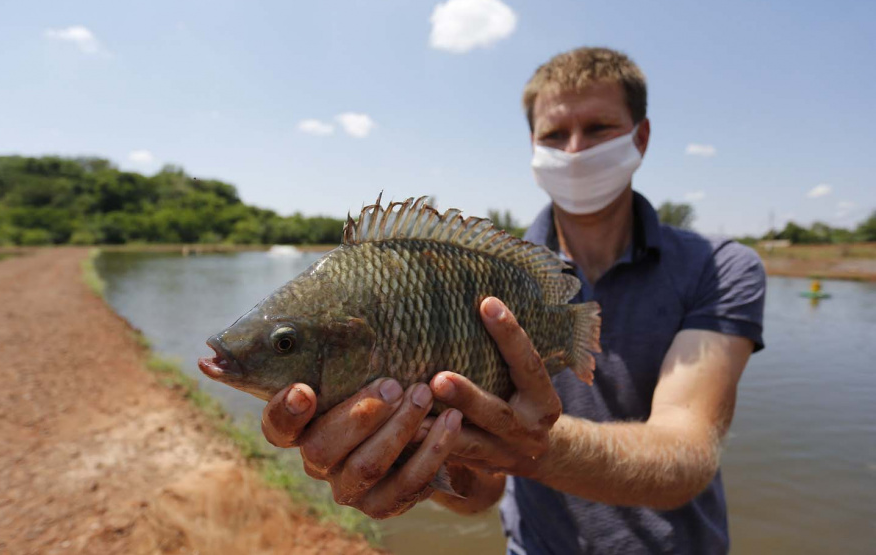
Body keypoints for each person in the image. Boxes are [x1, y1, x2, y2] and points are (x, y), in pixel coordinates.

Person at [260, 47, 766, 554]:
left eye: (597, 128)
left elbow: (686, 457)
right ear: (532, 145)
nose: (573, 150)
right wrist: (418, 454)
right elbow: (481, 493)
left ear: (642, 136)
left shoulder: (721, 267)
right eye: (553, 134)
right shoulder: (488, 275)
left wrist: (533, 447)